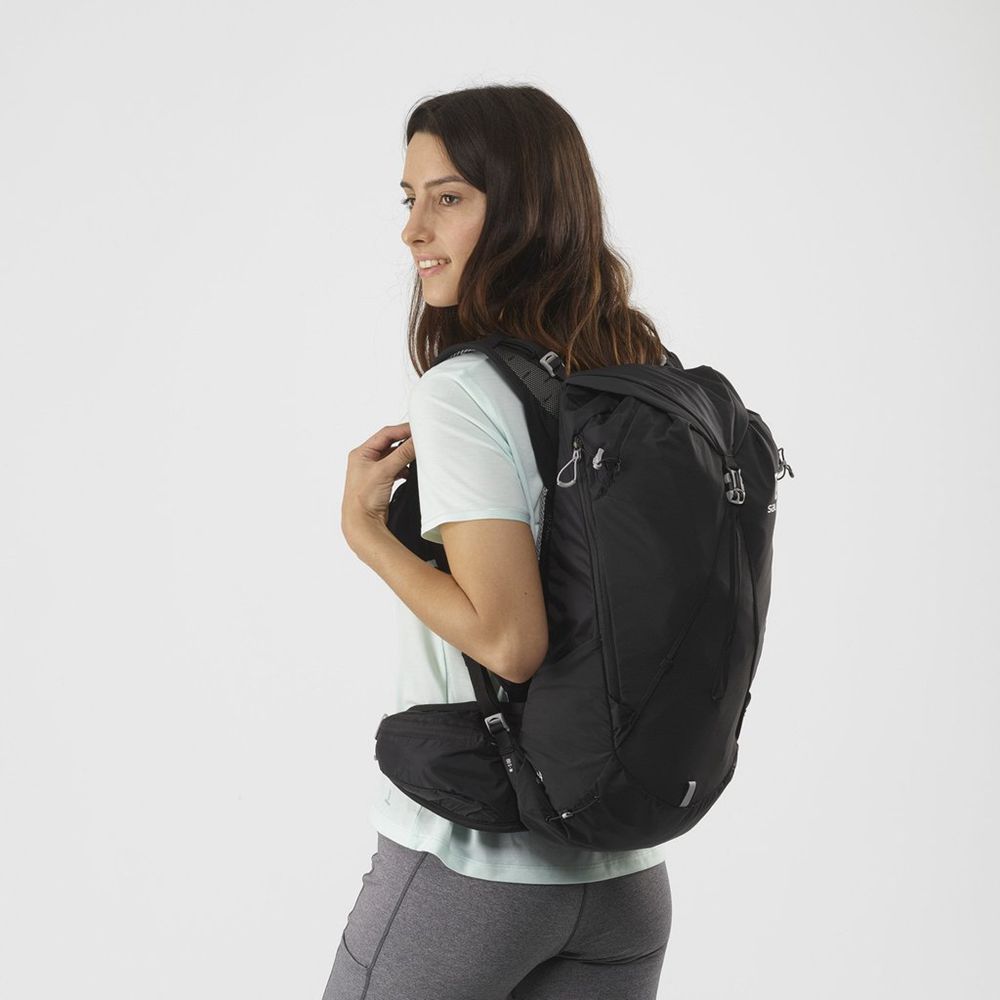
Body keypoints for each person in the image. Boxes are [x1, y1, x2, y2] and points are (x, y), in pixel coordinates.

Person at [327, 84, 674, 1000]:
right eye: (411, 199)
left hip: (474, 866)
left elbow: (510, 640)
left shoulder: (466, 390)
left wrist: (368, 534)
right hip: (623, 879)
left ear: (522, 208)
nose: (414, 230)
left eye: (449, 198)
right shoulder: (634, 373)